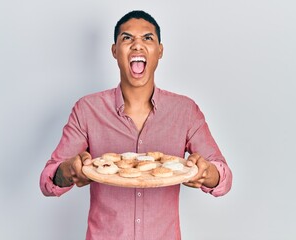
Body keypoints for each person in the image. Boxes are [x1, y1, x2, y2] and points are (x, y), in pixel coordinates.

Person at [40, 10, 232, 240]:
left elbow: (224, 177)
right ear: (114, 51)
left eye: (147, 38)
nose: (137, 45)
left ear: (160, 51)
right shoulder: (87, 110)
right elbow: (48, 179)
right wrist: (68, 171)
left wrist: (207, 173)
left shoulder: (185, 111)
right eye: (127, 38)